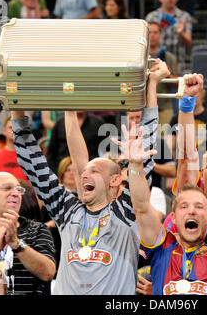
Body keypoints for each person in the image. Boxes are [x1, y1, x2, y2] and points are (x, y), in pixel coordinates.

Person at [10, 59, 170, 294]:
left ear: (115, 180)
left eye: (94, 171)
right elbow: (32, 162)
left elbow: (144, 157)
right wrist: (14, 100)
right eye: (83, 172)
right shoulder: (67, 210)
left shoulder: (125, 211)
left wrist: (152, 85)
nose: (84, 175)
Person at [126, 123, 207, 295]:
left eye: (199, 206)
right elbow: (142, 207)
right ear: (173, 218)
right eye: (184, 206)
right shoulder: (162, 248)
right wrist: (136, 165)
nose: (191, 211)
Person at [145, 0, 192, 72]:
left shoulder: (184, 17)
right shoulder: (151, 17)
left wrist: (181, 33)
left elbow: (189, 42)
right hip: (155, 65)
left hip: (178, 65)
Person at [148, 20, 180, 125]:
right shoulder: (139, 58)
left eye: (155, 32)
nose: (152, 35)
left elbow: (178, 84)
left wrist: (166, 74)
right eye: (149, 32)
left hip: (165, 107)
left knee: (164, 141)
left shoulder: (168, 57)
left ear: (160, 35)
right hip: (142, 107)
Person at [0, 116, 28, 181]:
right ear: (4, 131)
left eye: (17, 128)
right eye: (11, 128)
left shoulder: (31, 157)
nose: (14, 131)